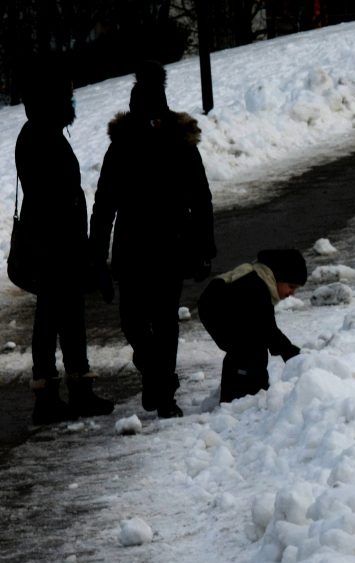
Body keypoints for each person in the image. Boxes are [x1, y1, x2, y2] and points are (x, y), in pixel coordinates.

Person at [90, 60, 216, 419]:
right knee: (139, 321)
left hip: (164, 244)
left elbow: (200, 196)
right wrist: (97, 258)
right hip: (137, 246)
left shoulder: (177, 143)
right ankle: (159, 378)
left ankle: (163, 392)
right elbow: (105, 203)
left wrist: (204, 247)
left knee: (159, 319)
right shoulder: (125, 146)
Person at [14, 54, 113, 425]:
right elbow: (52, 197)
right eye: (68, 93)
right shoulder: (41, 136)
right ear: (54, 97)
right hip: (54, 246)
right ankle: (49, 396)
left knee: (67, 316)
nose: (73, 98)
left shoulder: (42, 132)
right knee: (53, 316)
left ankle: (73, 390)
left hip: (58, 243)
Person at [197, 249, 307, 403]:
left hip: (225, 310)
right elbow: (268, 328)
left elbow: (266, 327)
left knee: (253, 344)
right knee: (248, 349)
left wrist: (285, 350)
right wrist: (290, 353)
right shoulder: (256, 287)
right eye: (291, 286)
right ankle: (240, 396)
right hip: (216, 310)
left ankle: (250, 389)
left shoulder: (262, 281)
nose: (291, 293)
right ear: (278, 277)